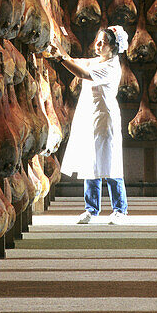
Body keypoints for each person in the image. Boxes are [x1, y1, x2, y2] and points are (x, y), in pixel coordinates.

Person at [52, 25, 130, 224]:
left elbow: (82, 73)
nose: (98, 44)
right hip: (90, 117)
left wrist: (62, 59)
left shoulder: (111, 66)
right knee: (91, 163)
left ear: (113, 47)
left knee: (111, 163)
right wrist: (59, 50)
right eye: (98, 40)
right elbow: (79, 62)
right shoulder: (98, 61)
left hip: (106, 120)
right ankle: (91, 209)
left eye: (103, 42)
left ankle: (120, 210)